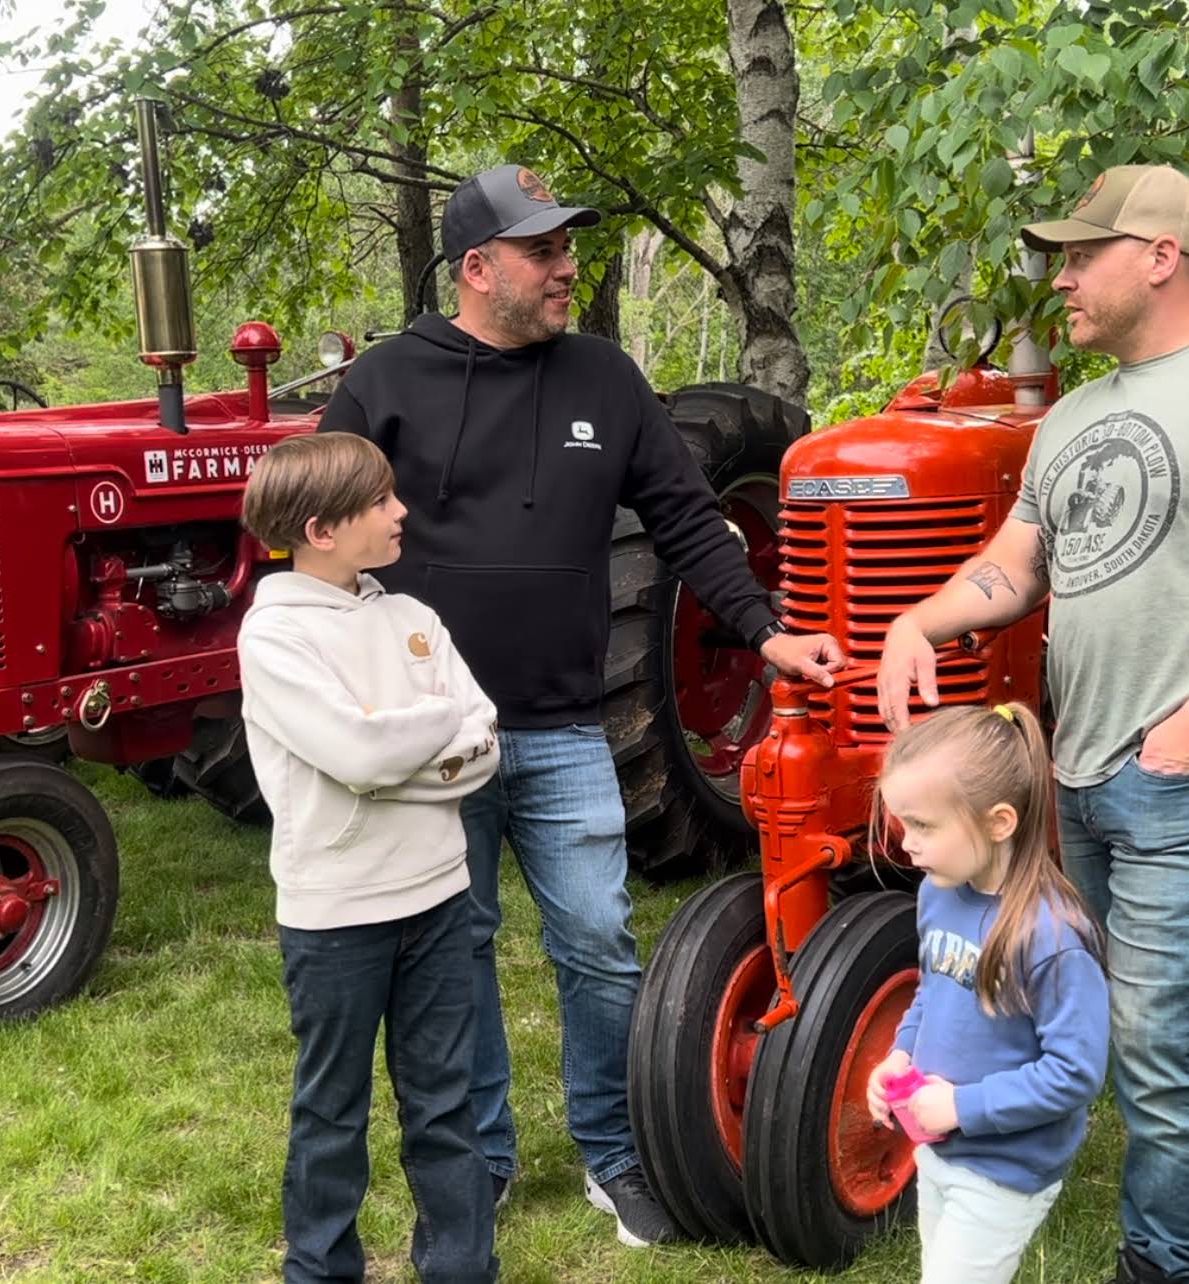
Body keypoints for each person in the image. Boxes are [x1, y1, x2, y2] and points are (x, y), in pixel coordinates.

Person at [317, 163, 847, 1245]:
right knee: (453, 949)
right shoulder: (383, 384)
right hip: (433, 740)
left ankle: (613, 1152)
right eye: (543, 251)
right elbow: (318, 541)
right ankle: (486, 1158)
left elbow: (694, 523)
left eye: (568, 248)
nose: (567, 267)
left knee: (600, 937)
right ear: (477, 268)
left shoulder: (606, 382)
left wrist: (765, 629)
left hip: (563, 727)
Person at [876, 163, 1189, 1284]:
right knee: (1082, 1013)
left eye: (1083, 253)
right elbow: (1016, 565)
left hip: (1171, 776)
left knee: (1156, 1049)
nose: (1062, 277)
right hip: (1084, 771)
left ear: (1160, 257)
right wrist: (922, 620)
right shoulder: (1074, 419)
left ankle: (1160, 1259)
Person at [237, 432, 500, 1284]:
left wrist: (397, 752)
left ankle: (463, 1269)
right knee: (331, 1113)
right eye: (381, 501)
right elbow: (357, 755)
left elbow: (484, 737)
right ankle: (319, 1271)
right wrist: (427, 727)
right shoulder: (274, 639)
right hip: (337, 916)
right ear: (320, 528)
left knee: (446, 1106)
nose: (401, 512)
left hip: (439, 897)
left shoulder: (412, 618)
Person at [866, 702, 1109, 1284]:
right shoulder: (938, 893)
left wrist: (960, 1107)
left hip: (1006, 1167)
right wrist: (902, 1053)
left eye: (923, 826)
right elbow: (933, 991)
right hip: (938, 1146)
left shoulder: (1050, 936)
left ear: (999, 822)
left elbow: (1076, 1073)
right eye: (904, 824)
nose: (906, 844)